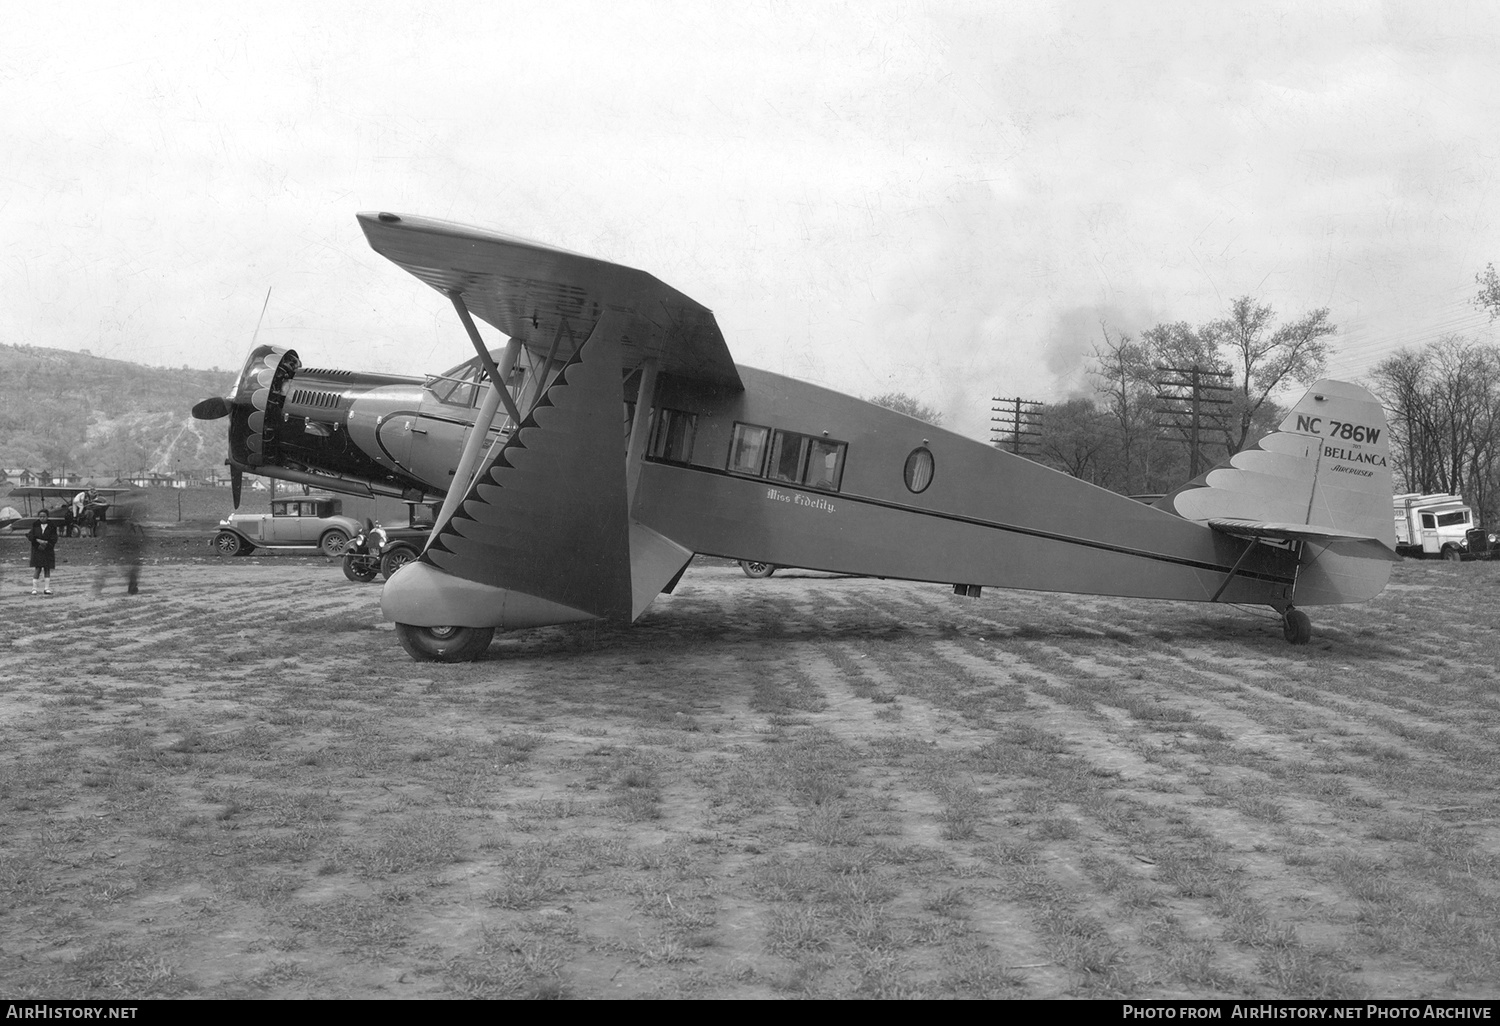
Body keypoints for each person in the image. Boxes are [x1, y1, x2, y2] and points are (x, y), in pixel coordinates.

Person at [27, 509, 58, 595]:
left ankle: (46, 588)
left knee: (47, 568)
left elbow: (54, 538)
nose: (42, 518)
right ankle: (34, 589)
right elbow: (30, 536)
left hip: (48, 550)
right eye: (40, 516)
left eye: (44, 516)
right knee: (38, 568)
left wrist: (46, 544)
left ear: (47, 517)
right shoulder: (35, 525)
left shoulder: (52, 526)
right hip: (37, 550)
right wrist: (38, 542)